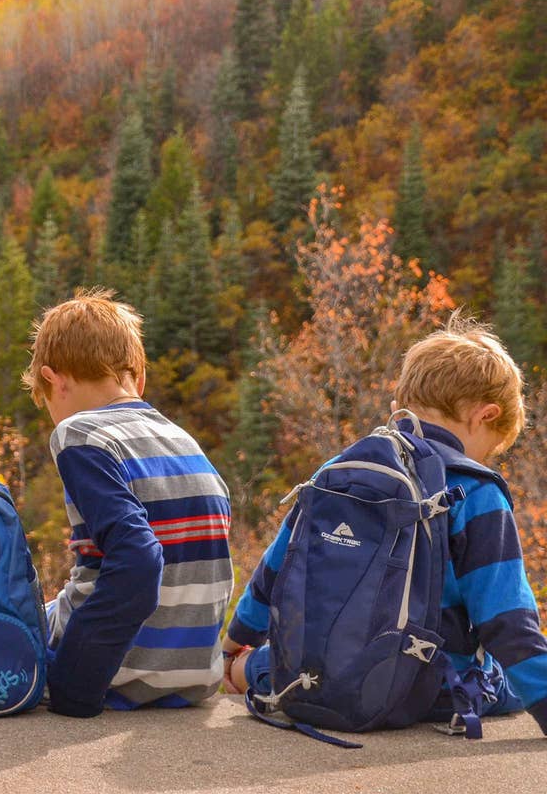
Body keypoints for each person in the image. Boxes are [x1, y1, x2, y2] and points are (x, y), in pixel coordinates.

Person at [223, 314, 547, 735]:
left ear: (399, 409)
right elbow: (508, 623)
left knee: (268, 662)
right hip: (426, 688)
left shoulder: (338, 469)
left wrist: (234, 643)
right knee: (507, 679)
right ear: (486, 415)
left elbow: (276, 569)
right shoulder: (475, 492)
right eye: (490, 447)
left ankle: (245, 668)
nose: (482, 460)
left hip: (318, 673)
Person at [23, 288, 233, 718]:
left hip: (117, 674)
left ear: (54, 380)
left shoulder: (79, 434)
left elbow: (138, 560)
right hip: (193, 677)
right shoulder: (186, 442)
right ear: (137, 378)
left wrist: (76, 686)